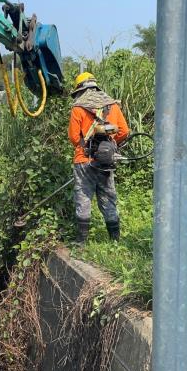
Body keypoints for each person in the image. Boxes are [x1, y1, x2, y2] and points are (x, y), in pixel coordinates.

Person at [68, 72, 129, 244]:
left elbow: (74, 137)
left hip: (83, 160)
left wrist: (87, 147)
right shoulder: (112, 105)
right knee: (108, 199)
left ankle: (81, 243)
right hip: (105, 161)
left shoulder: (78, 108)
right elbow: (124, 131)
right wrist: (108, 147)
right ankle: (115, 241)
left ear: (80, 89)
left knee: (83, 198)